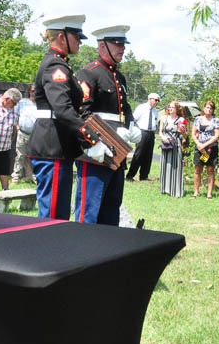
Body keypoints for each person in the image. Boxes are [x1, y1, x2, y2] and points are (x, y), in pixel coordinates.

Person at [29, 15, 103, 220]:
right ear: (62, 37)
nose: (80, 42)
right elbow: (62, 109)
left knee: (59, 215)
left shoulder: (60, 64)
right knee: (52, 216)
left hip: (57, 146)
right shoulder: (55, 66)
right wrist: (91, 138)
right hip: (52, 146)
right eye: (76, 37)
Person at [75, 25, 140, 225]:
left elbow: (124, 108)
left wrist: (131, 125)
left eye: (123, 44)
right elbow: (82, 113)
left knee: (111, 209)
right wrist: (99, 139)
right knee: (89, 211)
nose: (123, 48)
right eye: (117, 44)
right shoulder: (88, 73)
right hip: (96, 150)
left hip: (117, 152)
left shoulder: (119, 77)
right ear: (102, 46)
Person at [126, 93, 160, 182]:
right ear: (149, 99)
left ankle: (144, 176)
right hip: (142, 132)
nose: (157, 102)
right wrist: (133, 131)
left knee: (148, 155)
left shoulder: (155, 111)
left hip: (151, 133)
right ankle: (130, 176)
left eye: (158, 101)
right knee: (138, 154)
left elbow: (155, 123)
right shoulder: (141, 108)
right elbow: (133, 119)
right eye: (155, 100)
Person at [192, 100, 219, 199]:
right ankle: (196, 192)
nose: (209, 109)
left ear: (213, 110)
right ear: (203, 108)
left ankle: (209, 194)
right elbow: (193, 134)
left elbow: (216, 136)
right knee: (197, 169)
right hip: (199, 147)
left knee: (210, 170)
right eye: (207, 107)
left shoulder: (216, 120)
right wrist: (199, 145)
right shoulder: (198, 119)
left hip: (211, 148)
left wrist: (205, 145)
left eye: (211, 108)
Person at [159, 100, 187, 197]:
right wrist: (163, 137)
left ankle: (176, 190)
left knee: (176, 166)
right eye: (169, 107)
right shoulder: (163, 118)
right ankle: (165, 189)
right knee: (165, 165)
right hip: (166, 144)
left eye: (172, 107)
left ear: (177, 109)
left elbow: (185, 136)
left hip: (176, 144)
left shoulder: (181, 120)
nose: (170, 109)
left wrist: (182, 131)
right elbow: (160, 132)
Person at [12, 84, 36, 184]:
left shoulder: (42, 104)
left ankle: (35, 178)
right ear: (29, 91)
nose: (34, 93)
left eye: (36, 91)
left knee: (35, 157)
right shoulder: (22, 103)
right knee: (20, 156)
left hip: (36, 135)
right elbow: (14, 115)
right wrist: (16, 126)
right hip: (22, 133)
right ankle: (16, 177)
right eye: (33, 91)